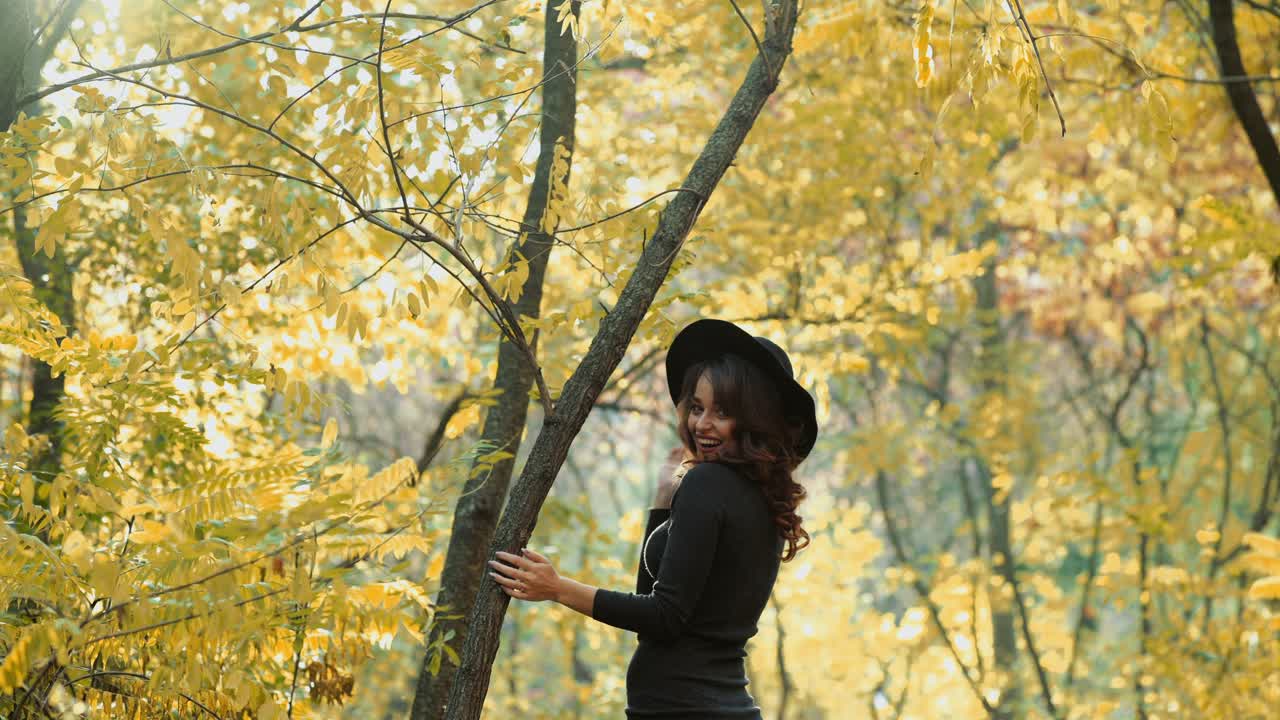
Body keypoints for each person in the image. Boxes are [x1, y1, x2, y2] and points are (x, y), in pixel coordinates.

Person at [487, 318, 819, 718]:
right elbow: (657, 601)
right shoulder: (765, 500)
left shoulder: (709, 484)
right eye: (697, 407)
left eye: (722, 412)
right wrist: (663, 504)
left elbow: (663, 616)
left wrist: (557, 588)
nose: (701, 424)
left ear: (753, 421)